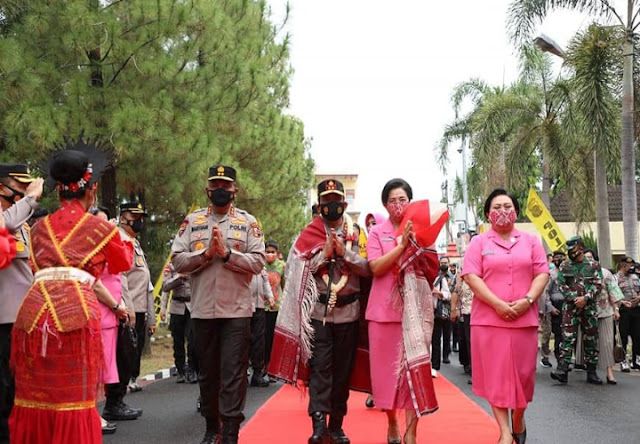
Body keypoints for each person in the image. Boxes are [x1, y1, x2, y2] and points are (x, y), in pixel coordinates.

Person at [9, 146, 133, 444]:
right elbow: (122, 263)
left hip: (32, 317)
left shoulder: (38, 229)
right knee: (72, 400)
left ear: (59, 190)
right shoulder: (99, 228)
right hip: (74, 319)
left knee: (35, 397)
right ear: (92, 190)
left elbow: (36, 266)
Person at [268, 179, 370, 444]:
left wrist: (345, 255)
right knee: (320, 369)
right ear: (319, 205)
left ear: (345, 204)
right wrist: (323, 255)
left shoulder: (358, 234)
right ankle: (318, 425)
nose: (332, 206)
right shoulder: (309, 233)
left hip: (349, 313)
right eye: (326, 202)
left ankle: (336, 425)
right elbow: (294, 269)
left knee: (342, 372)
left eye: (336, 201)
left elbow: (370, 268)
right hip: (317, 315)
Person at [171, 164, 265, 444]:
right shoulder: (193, 221)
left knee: (233, 374)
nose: (220, 190)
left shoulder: (248, 223)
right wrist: (204, 255)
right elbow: (177, 260)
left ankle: (231, 433)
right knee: (208, 374)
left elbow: (258, 262)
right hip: (201, 312)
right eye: (216, 185)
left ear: (235, 190)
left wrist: (226, 255)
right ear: (207, 190)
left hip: (236, 312)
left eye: (226, 186)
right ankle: (212, 428)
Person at [462, 188, 549, 444]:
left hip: (524, 319)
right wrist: (497, 304)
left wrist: (528, 300)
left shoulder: (531, 241)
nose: (502, 211)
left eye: (507, 206)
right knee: (496, 377)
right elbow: (471, 276)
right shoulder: (479, 243)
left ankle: (519, 417)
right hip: (489, 321)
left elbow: (542, 273)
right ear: (488, 214)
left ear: (516, 211)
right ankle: (504, 431)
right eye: (497, 207)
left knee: (524, 376)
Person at [366, 178, 443, 444]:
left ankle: (411, 433)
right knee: (387, 377)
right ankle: (392, 423)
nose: (398, 205)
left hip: (414, 314)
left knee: (414, 372)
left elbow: (432, 268)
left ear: (410, 202)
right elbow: (376, 268)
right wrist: (401, 247)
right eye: (392, 200)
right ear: (385, 205)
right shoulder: (376, 233)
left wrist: (420, 248)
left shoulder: (423, 231)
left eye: (402, 199)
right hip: (383, 314)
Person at [0, 164, 43, 444]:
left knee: (18, 385)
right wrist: (30, 199)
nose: (24, 191)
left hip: (22, 317)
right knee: (3, 386)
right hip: (3, 319)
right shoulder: (10, 218)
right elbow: (5, 226)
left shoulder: (21, 221)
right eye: (19, 186)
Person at [90, 206, 131, 435]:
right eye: (100, 222)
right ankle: (93, 414)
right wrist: (116, 306)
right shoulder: (89, 248)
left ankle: (97, 412)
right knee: (96, 370)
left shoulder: (107, 246)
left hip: (111, 314)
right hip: (100, 311)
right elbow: (96, 283)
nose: (105, 227)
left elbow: (118, 274)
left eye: (108, 222)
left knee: (104, 369)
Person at [550, 236, 604, 385]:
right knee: (567, 337)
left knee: (591, 338)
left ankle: (592, 372)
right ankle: (562, 370)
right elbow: (561, 284)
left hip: (589, 307)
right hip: (570, 307)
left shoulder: (593, 265)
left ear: (580, 248)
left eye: (572, 250)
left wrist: (586, 298)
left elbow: (598, 284)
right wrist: (575, 298)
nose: (569, 253)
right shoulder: (565, 266)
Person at [118, 202, 156, 393]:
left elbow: (145, 281)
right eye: (135, 217)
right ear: (123, 218)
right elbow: (121, 277)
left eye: (141, 218)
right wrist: (128, 307)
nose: (139, 221)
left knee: (136, 346)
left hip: (140, 305)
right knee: (125, 349)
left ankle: (131, 378)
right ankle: (122, 385)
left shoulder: (135, 243)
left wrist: (151, 315)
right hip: (127, 306)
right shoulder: (120, 239)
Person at [583, 250, 622, 384]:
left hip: (605, 312)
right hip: (587, 313)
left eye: (590, 257)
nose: (588, 260)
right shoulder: (580, 273)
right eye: (585, 257)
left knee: (607, 343)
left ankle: (609, 373)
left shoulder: (605, 273)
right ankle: (591, 372)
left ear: (596, 259)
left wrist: (616, 309)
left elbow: (613, 291)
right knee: (588, 343)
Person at [161, 262, 198, 384]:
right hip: (177, 307)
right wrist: (179, 276)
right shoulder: (172, 266)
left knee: (193, 340)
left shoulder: (195, 262)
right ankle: (181, 370)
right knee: (178, 340)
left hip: (192, 306)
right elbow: (165, 287)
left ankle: (192, 369)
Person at [249, 268, 274, 387]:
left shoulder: (260, 267)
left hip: (259, 306)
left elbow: (265, 282)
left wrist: (270, 296)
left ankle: (257, 373)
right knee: (242, 340)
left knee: (259, 340)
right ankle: (241, 373)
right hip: (243, 306)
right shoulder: (241, 259)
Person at [263, 239, 285, 381]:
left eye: (273, 252)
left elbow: (284, 284)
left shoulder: (282, 266)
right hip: (262, 307)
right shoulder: (260, 265)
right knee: (263, 339)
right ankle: (262, 367)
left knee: (274, 339)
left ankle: (272, 369)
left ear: (277, 254)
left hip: (277, 307)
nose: (270, 255)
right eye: (267, 252)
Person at [615, 256, 640, 372]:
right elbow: (613, 295)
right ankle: (623, 361)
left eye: (632, 265)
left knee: (637, 336)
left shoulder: (635, 277)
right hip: (623, 310)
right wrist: (621, 302)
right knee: (623, 337)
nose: (631, 267)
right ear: (622, 265)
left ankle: (637, 360)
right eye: (629, 265)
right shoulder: (616, 278)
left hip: (636, 309)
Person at [450, 260, 474, 382]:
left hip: (485, 308)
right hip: (467, 310)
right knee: (468, 340)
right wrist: (453, 309)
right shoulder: (463, 264)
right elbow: (455, 289)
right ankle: (472, 368)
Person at [543, 251, 565, 367]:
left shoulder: (568, 273)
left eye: (562, 257)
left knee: (563, 334)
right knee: (552, 333)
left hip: (566, 306)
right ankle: (547, 356)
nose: (559, 259)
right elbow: (546, 292)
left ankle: (562, 358)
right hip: (554, 306)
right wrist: (550, 307)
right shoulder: (550, 274)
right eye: (557, 257)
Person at [432, 257, 452, 371]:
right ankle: (433, 363)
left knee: (443, 336)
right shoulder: (429, 278)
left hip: (441, 312)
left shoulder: (442, 279)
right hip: (430, 311)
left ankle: (441, 359)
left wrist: (438, 293)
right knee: (433, 339)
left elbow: (448, 295)